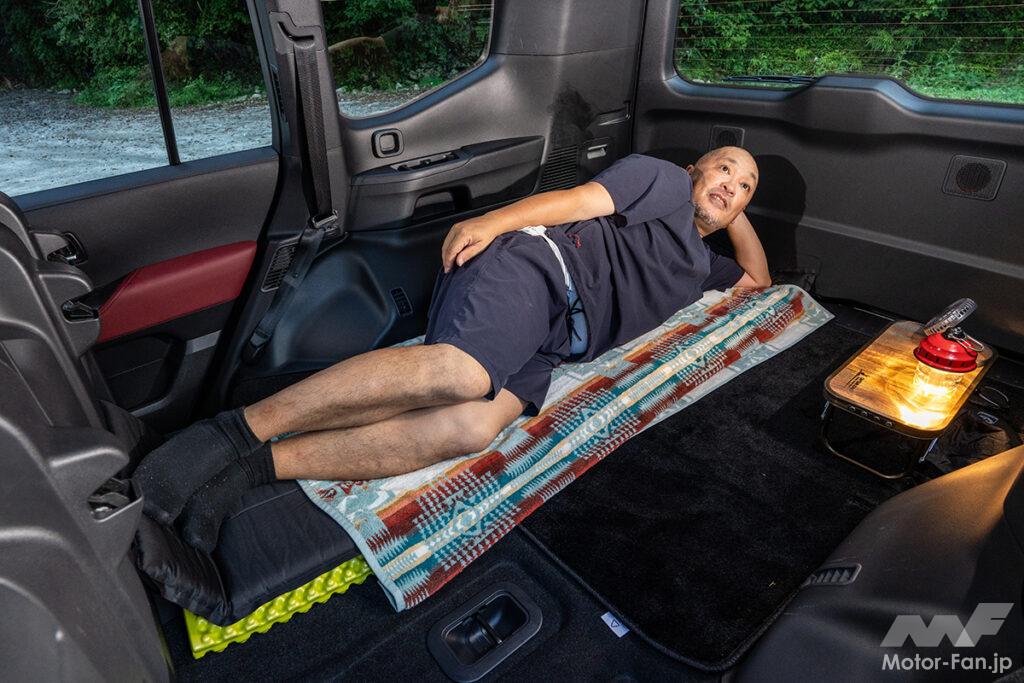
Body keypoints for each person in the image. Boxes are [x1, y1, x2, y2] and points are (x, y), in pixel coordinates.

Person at [132, 147, 769, 552]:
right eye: (724, 168)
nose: (732, 185)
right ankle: (230, 434)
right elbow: (573, 202)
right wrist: (491, 222)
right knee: (463, 375)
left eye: (746, 186)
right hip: (538, 271)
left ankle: (252, 470)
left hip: (556, 344)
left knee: (472, 428)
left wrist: (726, 205)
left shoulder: (700, 266)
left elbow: (759, 281)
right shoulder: (660, 179)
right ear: (693, 168)